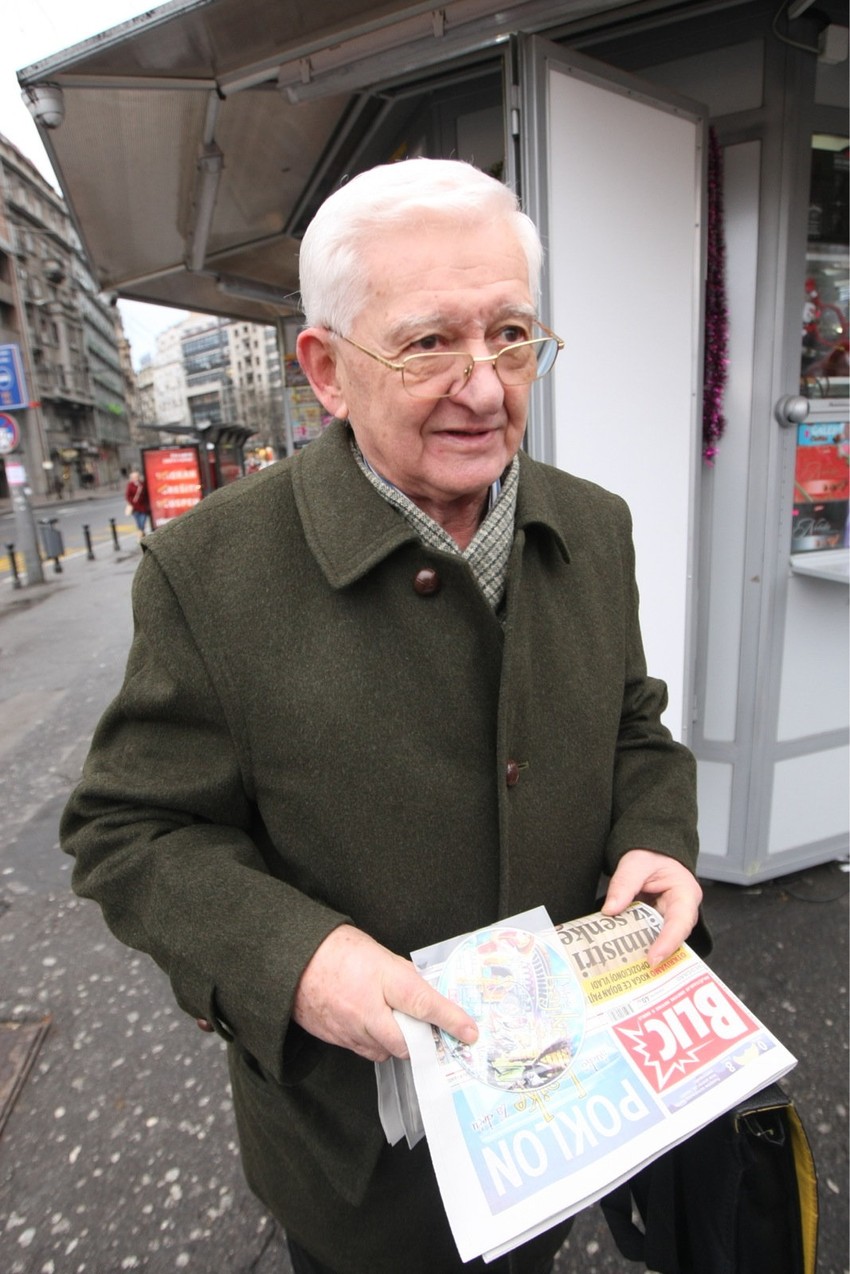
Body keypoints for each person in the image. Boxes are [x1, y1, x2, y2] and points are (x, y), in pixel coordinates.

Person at [60, 158, 702, 1274]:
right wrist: (298, 959)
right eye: (426, 343)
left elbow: (632, 719)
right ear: (324, 368)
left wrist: (658, 831)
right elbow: (129, 831)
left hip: (563, 1100)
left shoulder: (593, 526)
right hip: (361, 1158)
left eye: (510, 333)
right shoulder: (209, 571)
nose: (487, 387)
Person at [124, 468, 150, 540]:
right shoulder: (130, 485)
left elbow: (147, 495)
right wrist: (132, 502)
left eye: (137, 476)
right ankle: (142, 537)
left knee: (142, 523)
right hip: (135, 509)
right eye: (134, 477)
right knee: (139, 524)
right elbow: (127, 496)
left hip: (143, 508)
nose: (135, 478)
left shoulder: (142, 484)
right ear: (131, 478)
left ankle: (140, 537)